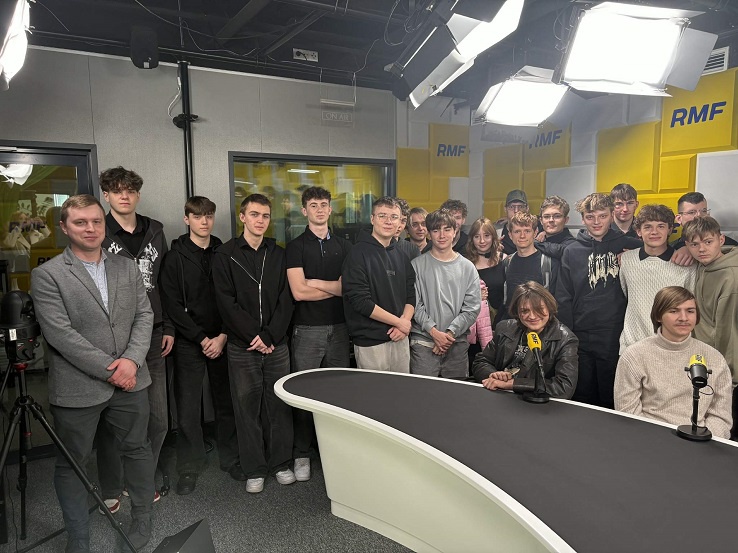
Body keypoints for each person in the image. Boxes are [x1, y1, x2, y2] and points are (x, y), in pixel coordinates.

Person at [31, 195, 155, 553]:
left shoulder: (126, 267)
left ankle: (142, 518)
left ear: (104, 225)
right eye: (80, 222)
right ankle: (79, 538)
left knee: (137, 450)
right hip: (78, 386)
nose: (90, 228)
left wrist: (131, 361)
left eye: (96, 221)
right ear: (64, 227)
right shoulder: (48, 275)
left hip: (131, 379)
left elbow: (144, 315)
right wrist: (111, 370)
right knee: (73, 463)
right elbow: (60, 334)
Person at [98, 166, 173, 511]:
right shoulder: (98, 232)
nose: (124, 196)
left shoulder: (155, 230)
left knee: (158, 418)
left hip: (154, 334)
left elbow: (166, 282)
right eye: (117, 191)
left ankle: (141, 478)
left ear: (138, 195)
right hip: (115, 337)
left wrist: (169, 326)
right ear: (107, 196)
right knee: (117, 418)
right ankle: (113, 484)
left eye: (129, 190)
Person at [212, 193, 295, 494]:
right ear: (242, 217)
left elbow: (287, 298)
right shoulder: (225, 254)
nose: (260, 220)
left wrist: (270, 336)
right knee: (246, 409)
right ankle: (255, 468)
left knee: (279, 407)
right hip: (242, 346)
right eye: (255, 214)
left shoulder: (279, 253)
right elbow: (226, 302)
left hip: (276, 345)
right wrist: (254, 337)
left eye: (265, 216)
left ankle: (280, 463)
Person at [158, 196, 239, 495]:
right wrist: (201, 339)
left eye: (209, 216)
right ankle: (189, 466)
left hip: (222, 338)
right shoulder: (174, 257)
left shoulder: (225, 253)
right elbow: (172, 304)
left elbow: (235, 298)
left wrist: (223, 335)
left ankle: (231, 458)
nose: (204, 221)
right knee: (188, 408)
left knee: (226, 402)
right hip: (190, 341)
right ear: (187, 219)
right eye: (197, 216)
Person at [286, 186, 351, 482]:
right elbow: (298, 293)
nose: (320, 209)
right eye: (313, 205)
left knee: (337, 393)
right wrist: (332, 287)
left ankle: (334, 451)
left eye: (324, 204)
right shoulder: (295, 246)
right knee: (304, 392)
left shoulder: (344, 246)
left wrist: (315, 282)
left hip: (339, 329)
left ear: (330, 208)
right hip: (307, 330)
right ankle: (302, 453)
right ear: (304, 211)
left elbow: (347, 288)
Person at [555, 193, 642, 408]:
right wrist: (568, 334)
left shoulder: (631, 246)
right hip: (580, 334)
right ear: (583, 219)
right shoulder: (571, 251)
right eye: (590, 217)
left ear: (612, 216)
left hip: (615, 334)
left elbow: (662, 250)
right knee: (582, 395)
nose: (596, 222)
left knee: (611, 396)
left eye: (602, 216)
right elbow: (563, 296)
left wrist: (683, 250)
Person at [614, 286, 732, 439]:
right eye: (674, 311)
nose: (683, 318)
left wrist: (702, 440)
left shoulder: (715, 358)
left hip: (700, 443)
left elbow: (721, 417)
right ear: (658, 316)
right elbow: (627, 413)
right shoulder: (634, 356)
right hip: (649, 440)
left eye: (690, 311)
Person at [342, 196, 416, 372]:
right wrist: (399, 323)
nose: (388, 221)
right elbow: (360, 301)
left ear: (400, 222)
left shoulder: (402, 255)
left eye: (394, 217)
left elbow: (411, 295)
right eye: (382, 216)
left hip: (400, 338)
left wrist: (404, 323)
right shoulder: (357, 254)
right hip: (371, 342)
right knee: (373, 390)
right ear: (372, 219)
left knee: (401, 388)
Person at [473, 281, 578, 399]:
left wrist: (512, 384)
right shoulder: (504, 328)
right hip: (498, 396)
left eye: (539, 309)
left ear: (549, 308)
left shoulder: (566, 340)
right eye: (525, 311)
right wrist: (493, 375)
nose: (532, 316)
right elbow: (481, 362)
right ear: (517, 312)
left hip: (533, 403)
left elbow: (564, 387)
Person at [682, 216, 738, 437]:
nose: (702, 249)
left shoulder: (731, 278)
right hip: (706, 359)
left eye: (708, 242)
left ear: (721, 240)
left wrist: (728, 377)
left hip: (724, 370)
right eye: (694, 244)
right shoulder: (705, 265)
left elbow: (729, 331)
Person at [410, 209, 480, 378]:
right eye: (436, 230)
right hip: (424, 344)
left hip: (456, 344)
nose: (442, 235)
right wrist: (434, 332)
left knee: (455, 393)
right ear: (429, 233)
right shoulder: (416, 265)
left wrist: (449, 334)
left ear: (455, 231)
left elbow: (472, 308)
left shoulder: (468, 268)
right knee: (423, 392)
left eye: (447, 229)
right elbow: (414, 305)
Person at [618, 204, 696, 354]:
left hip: (673, 346)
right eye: (648, 227)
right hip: (632, 345)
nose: (654, 232)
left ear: (670, 229)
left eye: (661, 226)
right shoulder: (627, 260)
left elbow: (692, 308)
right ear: (639, 231)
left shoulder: (686, 264)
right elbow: (626, 295)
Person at [464, 217, 506, 368]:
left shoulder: (505, 260)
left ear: (493, 237)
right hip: (472, 330)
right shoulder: (465, 264)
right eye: (477, 236)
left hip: (500, 325)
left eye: (486, 236)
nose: (482, 241)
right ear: (472, 239)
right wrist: (474, 297)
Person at [500, 212, 556, 320]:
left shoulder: (548, 264)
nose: (522, 236)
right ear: (510, 235)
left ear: (535, 233)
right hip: (512, 324)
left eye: (527, 231)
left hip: (538, 322)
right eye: (517, 231)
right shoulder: (507, 263)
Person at [671, 191, 738, 250]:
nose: (699, 216)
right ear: (679, 219)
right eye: (692, 212)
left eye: (704, 211)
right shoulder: (673, 248)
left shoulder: (730, 245)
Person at [498, 189, 529, 255]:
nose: (516, 211)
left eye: (520, 206)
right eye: (512, 207)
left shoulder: (536, 228)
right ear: (505, 209)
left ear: (527, 209)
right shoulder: (496, 231)